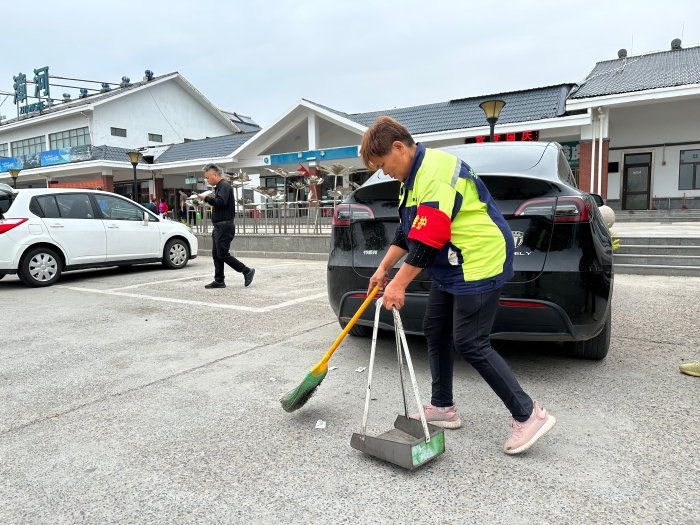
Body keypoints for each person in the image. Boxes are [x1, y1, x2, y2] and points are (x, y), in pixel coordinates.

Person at [362, 116, 555, 455]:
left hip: (478, 261)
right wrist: (382, 270)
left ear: (398, 148)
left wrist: (398, 285)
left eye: (382, 165)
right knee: (435, 329)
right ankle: (442, 407)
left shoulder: (435, 173)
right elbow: (407, 233)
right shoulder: (412, 176)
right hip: (451, 263)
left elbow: (428, 239)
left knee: (471, 342)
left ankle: (529, 414)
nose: (384, 172)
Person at [198, 163, 255, 289]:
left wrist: (206, 198)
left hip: (224, 226)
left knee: (222, 254)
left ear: (215, 174)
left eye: (208, 177)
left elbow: (221, 202)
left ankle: (246, 271)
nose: (207, 180)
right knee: (216, 254)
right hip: (219, 226)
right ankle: (219, 280)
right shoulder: (219, 187)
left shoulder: (224, 186)